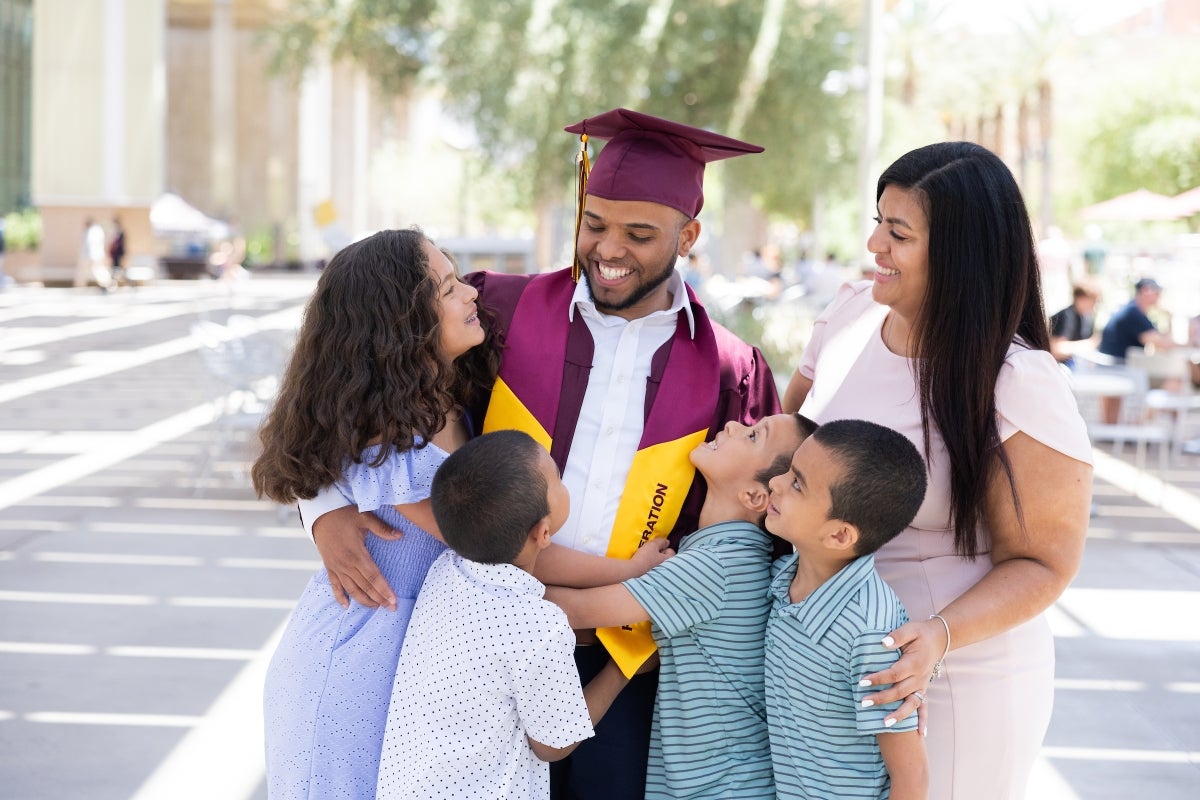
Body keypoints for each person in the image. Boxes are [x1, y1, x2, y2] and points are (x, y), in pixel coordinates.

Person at [302, 108, 781, 800]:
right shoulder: (499, 310)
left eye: (639, 235)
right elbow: (351, 364)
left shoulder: (731, 371)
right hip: (479, 651)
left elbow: (754, 523)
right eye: (595, 224)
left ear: (690, 235)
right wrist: (322, 507)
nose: (608, 249)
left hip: (627, 660)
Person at [781, 141, 1092, 800]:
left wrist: (937, 637)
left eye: (898, 232)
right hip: (818, 666)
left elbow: (1044, 562)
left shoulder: (1017, 383)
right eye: (877, 222)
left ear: (960, 255)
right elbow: (780, 453)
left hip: (952, 680)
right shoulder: (844, 317)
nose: (873, 245)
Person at [249, 228, 500, 799]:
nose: (471, 294)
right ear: (402, 324)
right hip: (357, 663)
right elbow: (494, 543)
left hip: (425, 664)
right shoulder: (388, 440)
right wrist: (630, 582)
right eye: (448, 287)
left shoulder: (458, 402)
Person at [545, 412, 812, 799]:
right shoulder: (733, 557)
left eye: (754, 436)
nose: (735, 425)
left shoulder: (716, 567)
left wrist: (492, 572)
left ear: (756, 497)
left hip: (720, 788)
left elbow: (574, 611)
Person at [376, 430, 633, 800]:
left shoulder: (445, 571)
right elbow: (552, 745)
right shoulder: (539, 625)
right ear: (543, 533)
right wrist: (621, 670)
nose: (563, 482)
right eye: (558, 479)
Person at [763, 419, 928, 800]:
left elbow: (912, 778)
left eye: (797, 483)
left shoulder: (870, 634)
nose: (775, 482)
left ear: (839, 535)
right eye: (788, 470)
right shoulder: (782, 579)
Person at [1097, 278, 1176, 422]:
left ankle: (1134, 428)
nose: (1159, 296)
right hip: (1116, 369)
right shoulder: (1133, 313)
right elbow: (1164, 344)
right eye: (1157, 292)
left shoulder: (1133, 311)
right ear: (1146, 290)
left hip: (1115, 368)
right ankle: (1141, 426)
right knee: (1175, 379)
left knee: (1173, 379)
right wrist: (1170, 317)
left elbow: (1161, 343)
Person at [1049, 281, 1101, 368]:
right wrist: (1087, 344)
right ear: (1081, 299)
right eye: (1093, 301)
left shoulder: (1087, 318)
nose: (1094, 306)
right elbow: (1056, 349)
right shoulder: (1063, 317)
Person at [75, 217, 111, 290]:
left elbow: (90, 244)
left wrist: (89, 256)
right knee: (95, 270)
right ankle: (106, 283)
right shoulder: (97, 230)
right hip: (96, 255)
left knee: (95, 270)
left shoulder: (92, 231)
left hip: (90, 256)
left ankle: (107, 283)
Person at [108, 217, 127, 286]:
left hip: (118, 254)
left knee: (118, 269)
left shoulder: (121, 232)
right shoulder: (115, 232)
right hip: (114, 254)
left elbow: (120, 244)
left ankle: (114, 283)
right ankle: (113, 283)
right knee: (115, 268)